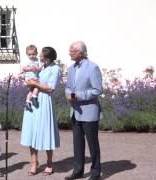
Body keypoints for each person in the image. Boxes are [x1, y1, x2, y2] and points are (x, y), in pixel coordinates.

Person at [64, 41, 102, 180]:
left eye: (72, 50)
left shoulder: (92, 68)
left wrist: (78, 96)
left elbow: (97, 90)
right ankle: (78, 171)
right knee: (77, 144)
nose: (69, 52)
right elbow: (68, 86)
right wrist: (68, 94)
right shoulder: (71, 68)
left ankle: (95, 173)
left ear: (81, 52)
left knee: (93, 144)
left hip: (89, 112)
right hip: (75, 111)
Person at [20, 47, 61, 176]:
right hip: (33, 99)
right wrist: (28, 82)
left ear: (47, 57)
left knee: (46, 131)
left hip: (44, 101)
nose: (39, 57)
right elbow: (28, 78)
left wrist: (35, 84)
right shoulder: (39, 66)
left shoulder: (55, 69)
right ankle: (33, 162)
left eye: (42, 55)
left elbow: (50, 88)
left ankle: (49, 163)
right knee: (32, 131)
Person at [21, 45, 41, 110]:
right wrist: (30, 69)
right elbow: (24, 68)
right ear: (27, 54)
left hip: (35, 77)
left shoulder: (37, 60)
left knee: (31, 90)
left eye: (33, 54)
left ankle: (27, 101)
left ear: (36, 54)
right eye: (29, 55)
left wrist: (37, 68)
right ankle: (34, 96)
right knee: (38, 86)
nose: (31, 56)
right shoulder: (27, 61)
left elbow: (40, 68)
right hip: (29, 78)